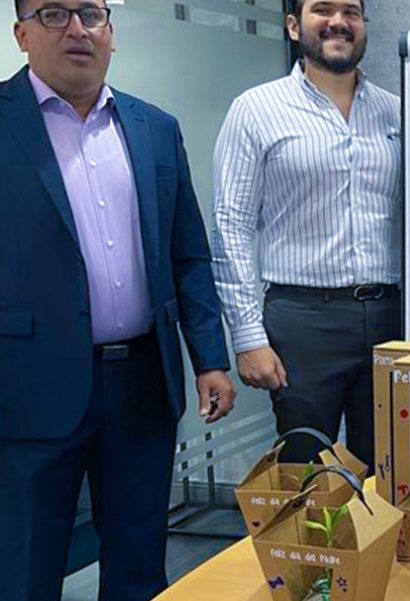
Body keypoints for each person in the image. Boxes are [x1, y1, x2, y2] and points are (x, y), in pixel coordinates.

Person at [0, 0, 237, 598]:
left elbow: (188, 254)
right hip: (28, 387)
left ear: (112, 31)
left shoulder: (155, 127)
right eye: (54, 14)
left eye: (90, 13)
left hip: (142, 383)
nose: (76, 29)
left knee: (139, 564)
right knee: (26, 568)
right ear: (21, 34)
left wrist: (209, 359)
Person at [211, 0, 401, 465]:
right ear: (294, 26)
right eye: (323, 10)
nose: (338, 22)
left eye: (351, 12)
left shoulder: (397, 112)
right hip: (302, 321)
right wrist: (248, 337)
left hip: (391, 318)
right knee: (305, 471)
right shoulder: (256, 109)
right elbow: (231, 226)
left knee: (392, 468)